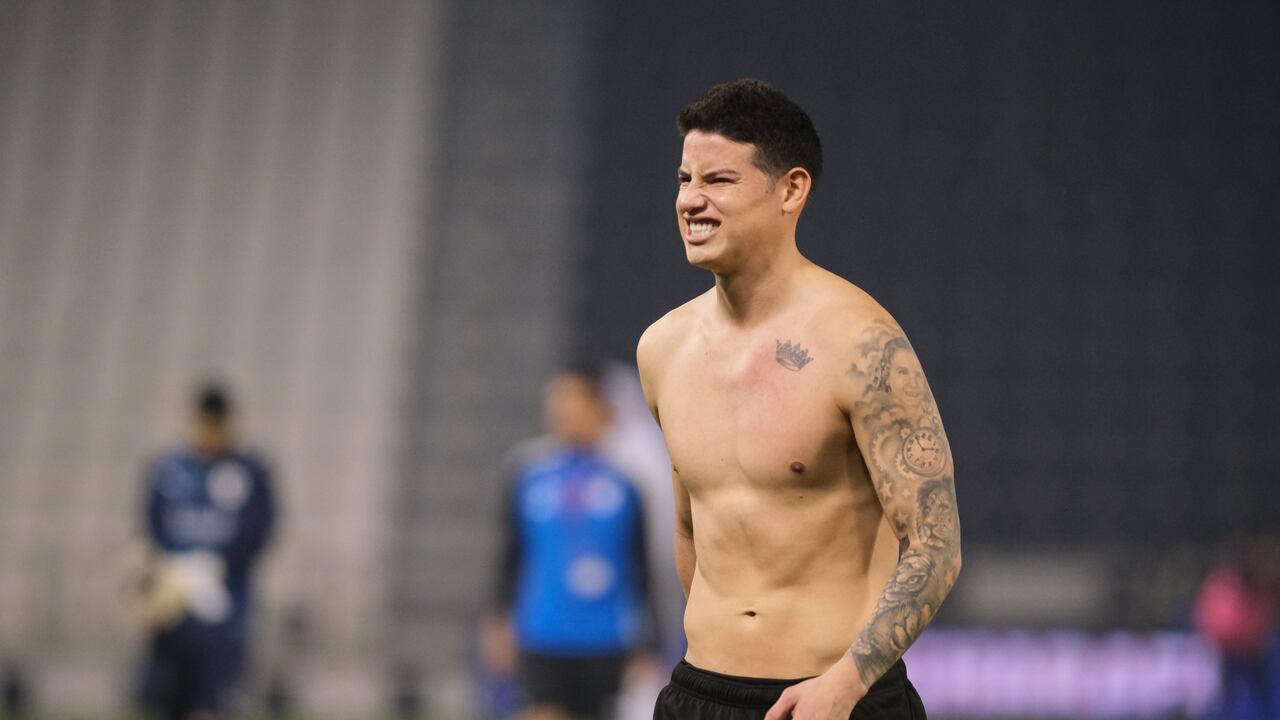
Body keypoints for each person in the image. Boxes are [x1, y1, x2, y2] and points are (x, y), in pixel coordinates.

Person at [637, 79, 962, 719]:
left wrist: (845, 684)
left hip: (834, 702)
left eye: (719, 181)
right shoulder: (662, 348)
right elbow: (691, 523)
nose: (691, 201)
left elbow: (936, 544)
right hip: (700, 695)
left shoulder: (863, 345)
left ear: (791, 189)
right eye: (684, 179)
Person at [482, 367, 659, 720]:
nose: (563, 409)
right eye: (557, 400)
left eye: (574, 399)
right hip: (542, 629)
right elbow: (510, 554)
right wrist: (499, 618)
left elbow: (640, 566)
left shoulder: (626, 482)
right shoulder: (527, 472)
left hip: (606, 634)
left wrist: (649, 642)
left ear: (600, 408)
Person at [134, 383, 277, 720]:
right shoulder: (168, 470)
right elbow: (150, 531)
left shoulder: (249, 472)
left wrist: (217, 566)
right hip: (174, 612)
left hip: (226, 610)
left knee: (213, 704)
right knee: (167, 701)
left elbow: (260, 528)